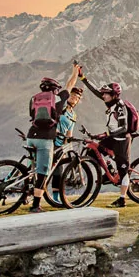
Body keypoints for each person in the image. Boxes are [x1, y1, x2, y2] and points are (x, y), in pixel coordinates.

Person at [25, 64, 85, 210]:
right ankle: (36, 206)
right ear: (55, 89)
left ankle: (25, 193)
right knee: (42, 172)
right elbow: (70, 84)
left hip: (31, 135)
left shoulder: (35, 99)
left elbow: (32, 116)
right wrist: (75, 72)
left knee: (30, 167)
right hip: (46, 139)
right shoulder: (59, 99)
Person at [93, 79, 139, 207]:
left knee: (123, 171)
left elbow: (123, 128)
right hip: (113, 138)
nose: (103, 96)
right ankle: (109, 171)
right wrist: (82, 77)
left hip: (122, 140)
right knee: (93, 149)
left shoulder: (120, 107)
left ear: (113, 95)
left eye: (106, 94)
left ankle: (122, 199)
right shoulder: (110, 104)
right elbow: (96, 92)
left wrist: (106, 134)